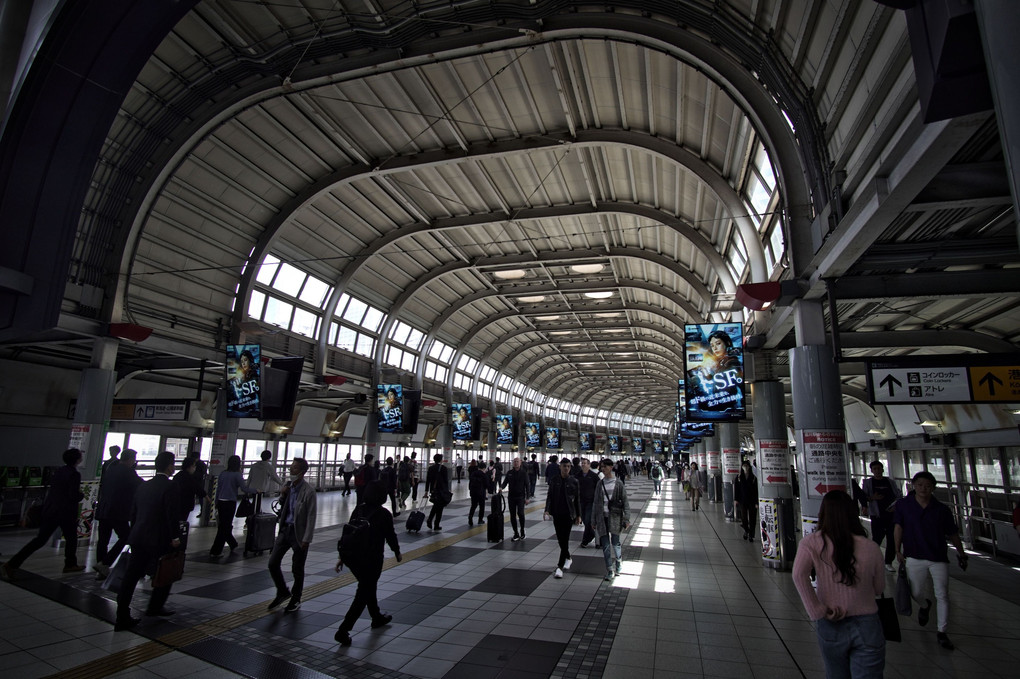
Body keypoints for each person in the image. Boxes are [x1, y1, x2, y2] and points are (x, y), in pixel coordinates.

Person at [792, 490, 886, 679]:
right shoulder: (870, 547)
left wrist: (817, 610)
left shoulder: (811, 543)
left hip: (831, 621)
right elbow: (879, 588)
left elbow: (799, 576)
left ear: (823, 513)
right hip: (867, 623)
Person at [893, 470, 967, 650]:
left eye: (927, 486)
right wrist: (897, 549)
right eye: (919, 485)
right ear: (913, 486)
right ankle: (925, 605)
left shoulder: (941, 509)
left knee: (942, 594)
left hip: (938, 557)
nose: (923, 488)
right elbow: (898, 527)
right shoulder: (904, 505)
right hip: (914, 555)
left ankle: (942, 631)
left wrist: (961, 553)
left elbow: (953, 533)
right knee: (915, 592)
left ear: (933, 487)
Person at [114, 451, 183, 630]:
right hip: (159, 538)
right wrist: (175, 537)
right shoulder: (170, 486)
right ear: (169, 465)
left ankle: (121, 614)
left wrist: (135, 531)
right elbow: (171, 515)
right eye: (173, 463)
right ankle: (155, 607)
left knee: (131, 576)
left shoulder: (144, 485)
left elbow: (134, 513)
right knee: (165, 572)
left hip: (138, 536)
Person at [334, 481, 401, 646]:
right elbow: (390, 535)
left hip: (352, 558)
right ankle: (344, 629)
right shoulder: (384, 514)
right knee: (364, 591)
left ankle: (376, 617)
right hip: (372, 559)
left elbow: (349, 533)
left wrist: (341, 557)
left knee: (368, 586)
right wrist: (397, 552)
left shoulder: (359, 509)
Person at [1, 448, 85, 580]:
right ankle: (70, 564)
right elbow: (73, 495)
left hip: (50, 510)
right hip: (65, 513)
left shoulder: (59, 471)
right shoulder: (74, 474)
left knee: (39, 540)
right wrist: (81, 495)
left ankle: (12, 563)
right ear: (77, 459)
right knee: (71, 539)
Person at [267, 457, 317, 614]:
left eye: (294, 468)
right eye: (291, 467)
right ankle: (282, 591)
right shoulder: (288, 487)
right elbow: (283, 506)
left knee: (297, 568)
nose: (291, 470)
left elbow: (311, 516)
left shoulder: (308, 491)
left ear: (302, 472)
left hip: (299, 533)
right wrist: (282, 495)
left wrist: (307, 539)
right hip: (285, 530)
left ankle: (296, 598)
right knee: (272, 563)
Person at [94, 448, 142, 577]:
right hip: (117, 510)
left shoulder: (111, 469)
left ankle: (101, 567)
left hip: (104, 509)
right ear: (131, 459)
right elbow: (140, 485)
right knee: (126, 536)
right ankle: (105, 562)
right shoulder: (128, 471)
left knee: (103, 540)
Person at [210, 455, 254, 557]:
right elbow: (244, 488)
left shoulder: (223, 474)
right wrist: (256, 490)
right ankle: (216, 551)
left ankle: (233, 543)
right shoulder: (237, 475)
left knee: (224, 525)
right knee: (224, 527)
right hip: (230, 502)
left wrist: (216, 501)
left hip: (221, 502)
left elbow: (218, 488)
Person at [592, 459, 630, 581]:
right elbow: (596, 503)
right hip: (602, 518)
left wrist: (626, 518)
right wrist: (593, 520)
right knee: (605, 545)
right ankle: (609, 569)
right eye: (601, 467)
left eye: (605, 467)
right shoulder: (600, 484)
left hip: (615, 517)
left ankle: (618, 561)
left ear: (611, 467)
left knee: (615, 543)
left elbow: (625, 502)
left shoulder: (618, 483)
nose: (603, 469)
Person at [544, 457, 581, 579]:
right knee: (560, 539)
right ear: (560, 467)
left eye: (568, 466)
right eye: (564, 466)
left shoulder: (574, 481)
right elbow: (550, 496)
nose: (566, 468)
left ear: (570, 468)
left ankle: (559, 567)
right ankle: (568, 557)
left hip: (568, 514)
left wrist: (578, 515)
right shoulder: (554, 480)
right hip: (557, 513)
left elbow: (577, 500)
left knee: (565, 539)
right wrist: (547, 510)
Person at [861, 461, 901, 571]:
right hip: (877, 515)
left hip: (891, 515)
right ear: (872, 471)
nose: (877, 471)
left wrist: (895, 506)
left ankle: (888, 562)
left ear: (883, 469)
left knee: (892, 539)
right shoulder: (868, 483)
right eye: (875, 469)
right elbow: (864, 497)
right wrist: (872, 498)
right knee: (877, 539)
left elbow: (898, 495)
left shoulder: (890, 482)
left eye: (879, 468)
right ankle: (873, 560)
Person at [501, 457, 530, 541]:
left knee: (521, 513)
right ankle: (516, 533)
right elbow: (505, 482)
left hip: (521, 497)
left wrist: (528, 497)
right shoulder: (510, 473)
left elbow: (527, 485)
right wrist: (501, 488)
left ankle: (522, 531)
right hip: (511, 497)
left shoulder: (524, 473)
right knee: (512, 515)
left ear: (520, 463)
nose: (516, 463)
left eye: (517, 462)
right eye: (514, 462)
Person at [173, 454, 206, 522]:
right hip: (186, 504)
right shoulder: (190, 478)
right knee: (182, 521)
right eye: (193, 466)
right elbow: (197, 488)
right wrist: (206, 496)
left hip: (176, 503)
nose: (194, 468)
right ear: (189, 467)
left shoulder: (177, 476)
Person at [425, 453, 451, 531]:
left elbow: (428, 480)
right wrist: (447, 490)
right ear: (441, 460)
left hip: (433, 490)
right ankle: (435, 523)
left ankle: (431, 520)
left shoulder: (431, 468)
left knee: (436, 505)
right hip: (441, 490)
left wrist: (426, 491)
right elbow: (446, 480)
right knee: (439, 507)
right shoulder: (443, 468)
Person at [577, 458, 599, 548]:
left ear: (589, 465)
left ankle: (585, 540)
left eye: (585, 463)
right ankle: (592, 534)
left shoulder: (594, 476)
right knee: (585, 521)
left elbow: (598, 488)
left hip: (591, 501)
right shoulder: (577, 475)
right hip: (581, 501)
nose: (583, 465)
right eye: (582, 463)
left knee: (588, 520)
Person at [734, 461, 759, 542]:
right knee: (744, 517)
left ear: (749, 467)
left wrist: (756, 502)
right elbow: (736, 489)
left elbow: (756, 491)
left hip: (752, 500)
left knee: (752, 518)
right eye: (744, 466)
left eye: (747, 466)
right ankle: (746, 530)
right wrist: (736, 499)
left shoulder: (754, 477)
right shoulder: (738, 477)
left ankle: (751, 534)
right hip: (742, 500)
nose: (745, 467)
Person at [468, 460, 488, 527]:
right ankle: (480, 520)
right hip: (481, 492)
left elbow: (470, 482)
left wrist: (470, 489)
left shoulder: (473, 473)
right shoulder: (484, 475)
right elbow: (486, 485)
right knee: (482, 506)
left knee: (473, 505)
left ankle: (470, 517)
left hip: (473, 492)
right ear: (484, 468)